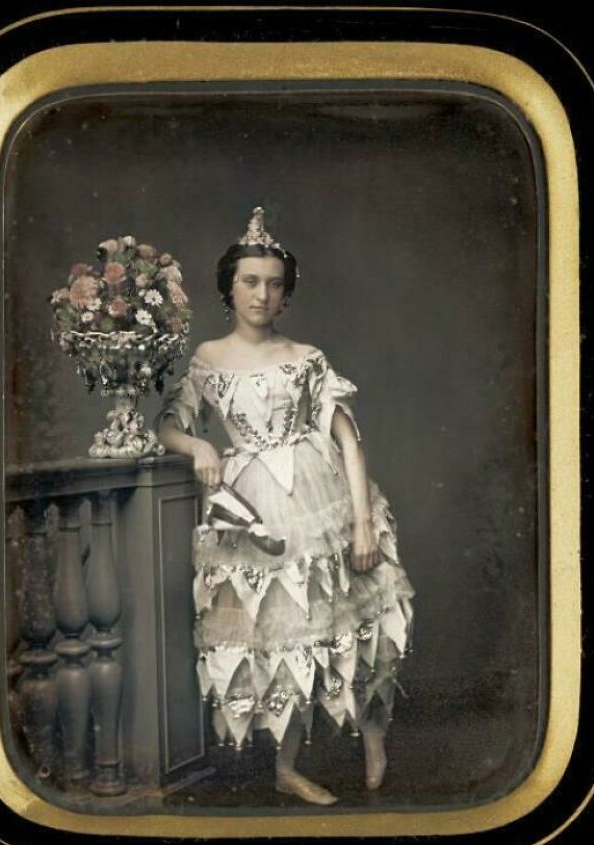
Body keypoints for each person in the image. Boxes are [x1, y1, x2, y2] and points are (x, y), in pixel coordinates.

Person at [156, 207, 415, 805]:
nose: (261, 294)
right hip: (255, 507)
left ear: (285, 296)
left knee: (365, 622)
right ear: (229, 288)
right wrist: (197, 442)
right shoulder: (208, 360)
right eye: (250, 281)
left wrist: (359, 523)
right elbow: (170, 424)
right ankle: (286, 768)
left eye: (274, 284)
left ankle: (374, 734)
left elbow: (349, 440)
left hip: (320, 496)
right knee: (281, 638)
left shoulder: (305, 356)